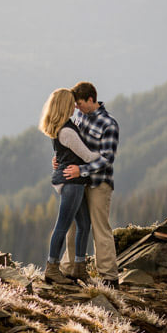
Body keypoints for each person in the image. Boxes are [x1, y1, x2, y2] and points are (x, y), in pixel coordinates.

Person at [60, 81, 120, 288]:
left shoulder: (108, 124)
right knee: (73, 225)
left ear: (91, 100)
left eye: (79, 104)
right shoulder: (79, 117)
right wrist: (59, 160)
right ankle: (68, 270)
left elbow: (106, 159)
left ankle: (109, 276)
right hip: (77, 182)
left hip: (98, 183)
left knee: (99, 228)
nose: (76, 108)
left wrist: (82, 170)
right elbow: (71, 145)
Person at [38, 88, 98, 285]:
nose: (75, 106)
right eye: (71, 103)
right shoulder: (68, 131)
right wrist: (106, 156)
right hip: (72, 183)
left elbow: (62, 155)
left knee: (84, 224)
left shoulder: (61, 128)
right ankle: (52, 268)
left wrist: (58, 161)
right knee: (63, 226)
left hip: (71, 181)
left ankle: (79, 267)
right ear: (65, 105)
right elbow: (88, 156)